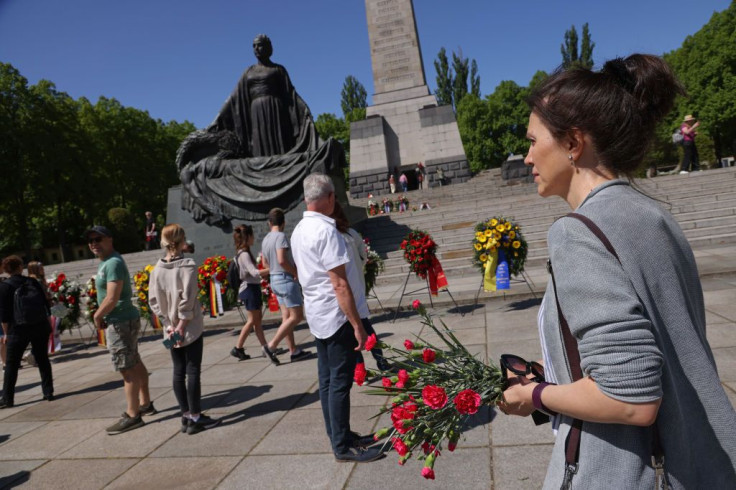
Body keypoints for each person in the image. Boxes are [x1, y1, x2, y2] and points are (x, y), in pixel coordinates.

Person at [498, 54, 736, 488]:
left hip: (629, 471)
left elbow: (630, 397)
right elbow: (651, 341)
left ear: (573, 143)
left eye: (533, 141)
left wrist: (532, 395)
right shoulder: (650, 214)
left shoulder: (577, 232)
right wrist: (552, 368)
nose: (527, 157)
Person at [291, 173, 383, 463]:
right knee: (339, 382)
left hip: (318, 315)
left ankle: (339, 435)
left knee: (328, 381)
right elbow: (339, 283)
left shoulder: (298, 231)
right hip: (336, 315)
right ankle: (342, 446)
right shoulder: (326, 231)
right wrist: (357, 324)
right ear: (329, 197)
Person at [148, 224, 221, 435]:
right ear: (181, 241)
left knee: (178, 371)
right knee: (192, 370)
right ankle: (195, 417)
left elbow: (154, 302)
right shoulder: (188, 265)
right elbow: (188, 299)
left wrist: (169, 325)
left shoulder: (157, 269)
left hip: (170, 328)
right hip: (188, 327)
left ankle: (186, 415)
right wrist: (180, 325)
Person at [87, 225, 155, 434]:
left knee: (126, 368)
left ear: (110, 239)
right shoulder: (108, 262)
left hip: (119, 321)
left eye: (98, 239)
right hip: (124, 319)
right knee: (134, 360)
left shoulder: (113, 263)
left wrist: (98, 315)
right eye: (90, 241)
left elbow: (112, 297)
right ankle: (145, 403)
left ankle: (133, 415)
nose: (94, 244)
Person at [330, 202, 390, 373]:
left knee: (352, 331)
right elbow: (364, 257)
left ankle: (361, 368)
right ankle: (381, 362)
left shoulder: (332, 237)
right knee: (365, 327)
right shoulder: (351, 234)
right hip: (354, 286)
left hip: (343, 290)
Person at [0, 255, 54, 408]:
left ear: (6, 270)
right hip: (39, 325)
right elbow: (45, 304)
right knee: (42, 359)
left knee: (11, 364)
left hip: (18, 329)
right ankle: (48, 392)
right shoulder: (32, 281)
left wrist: (5, 334)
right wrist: (48, 323)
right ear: (20, 267)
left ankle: (7, 398)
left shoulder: (5, 286)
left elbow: (4, 314)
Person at [260, 208, 312, 363]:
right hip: (285, 280)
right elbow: (282, 260)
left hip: (274, 280)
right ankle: (271, 346)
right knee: (297, 316)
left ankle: (293, 350)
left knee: (287, 317)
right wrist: (295, 272)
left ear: (269, 223)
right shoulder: (281, 237)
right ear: (283, 223)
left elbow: (264, 263)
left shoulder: (266, 239)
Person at [230, 225, 275, 363]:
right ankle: (238, 347)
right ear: (247, 237)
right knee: (252, 321)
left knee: (257, 322)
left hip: (251, 288)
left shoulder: (242, 253)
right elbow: (254, 272)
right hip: (249, 289)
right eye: (252, 235)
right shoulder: (243, 254)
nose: (254, 238)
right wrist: (272, 269)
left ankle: (264, 347)